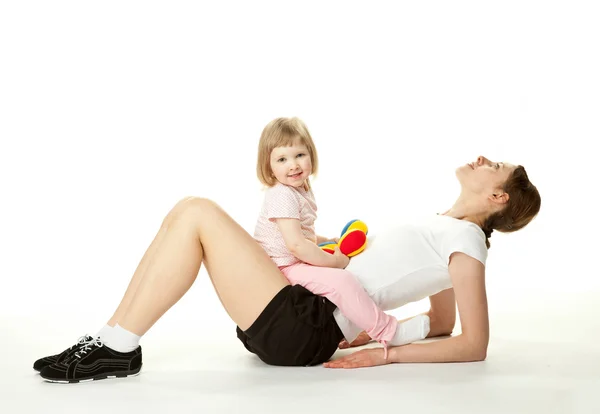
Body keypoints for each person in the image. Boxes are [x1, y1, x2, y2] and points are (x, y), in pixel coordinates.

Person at [33, 153, 540, 383]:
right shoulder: (448, 228)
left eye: (494, 164)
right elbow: (443, 321)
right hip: (305, 314)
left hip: (306, 327)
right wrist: (396, 328)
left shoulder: (468, 242)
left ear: (497, 197)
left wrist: (387, 352)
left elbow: (473, 344)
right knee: (186, 213)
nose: (481, 158)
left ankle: (116, 348)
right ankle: (112, 341)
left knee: (197, 212)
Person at [250, 117, 430, 360]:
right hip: (282, 266)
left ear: (311, 155)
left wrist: (327, 240)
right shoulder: (282, 195)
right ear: (269, 166)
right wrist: (333, 262)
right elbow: (294, 245)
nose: (293, 165)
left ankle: (354, 325)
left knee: (345, 265)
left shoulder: (300, 187)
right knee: (342, 281)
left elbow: (302, 234)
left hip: (294, 257)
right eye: (282, 159)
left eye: (300, 155)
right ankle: (387, 331)